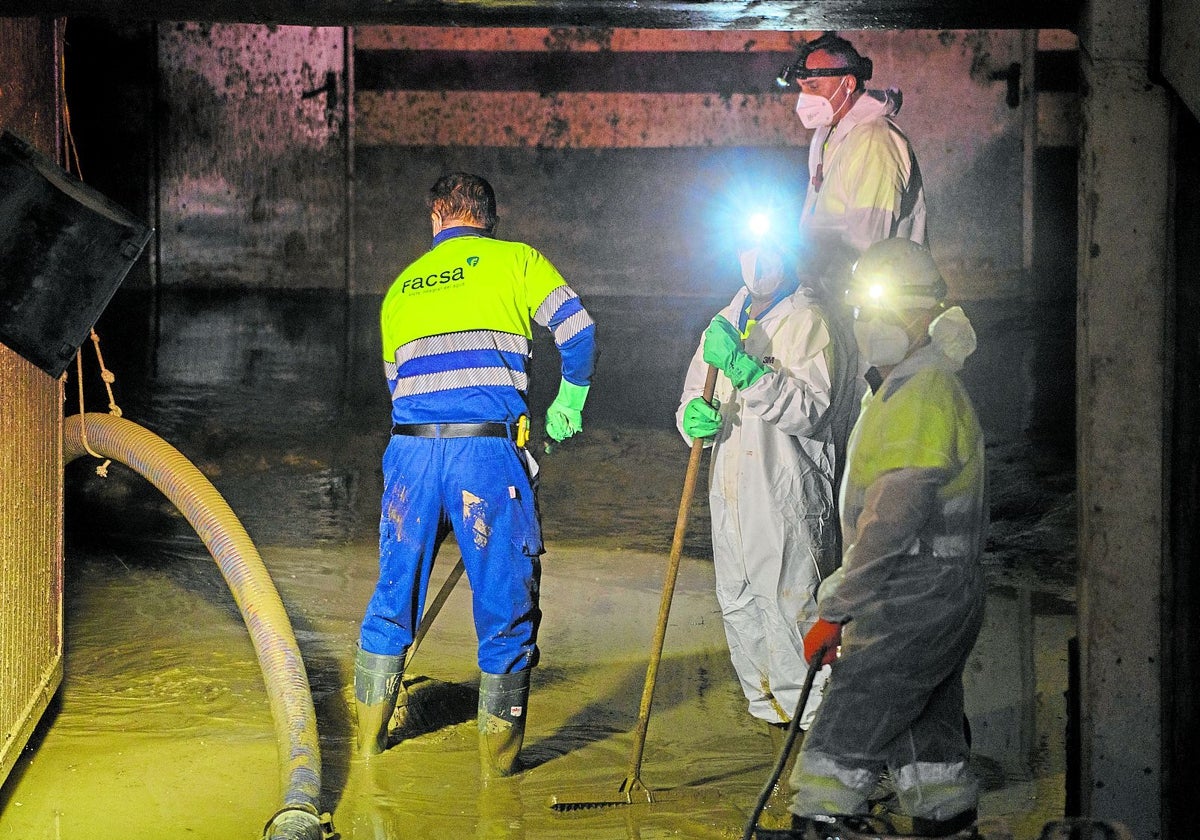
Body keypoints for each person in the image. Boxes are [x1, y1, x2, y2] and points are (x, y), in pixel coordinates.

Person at [353, 172, 597, 780]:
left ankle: (366, 754)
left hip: (409, 455)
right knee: (505, 607)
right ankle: (497, 781)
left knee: (391, 599)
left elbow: (396, 385)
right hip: (484, 457)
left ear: (437, 218)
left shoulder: (400, 288)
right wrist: (570, 398)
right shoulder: (516, 261)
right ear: (490, 218)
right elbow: (579, 330)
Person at [788, 237, 987, 839]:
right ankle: (947, 824)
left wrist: (835, 609)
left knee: (845, 733)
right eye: (864, 310)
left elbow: (891, 522)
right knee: (926, 733)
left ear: (924, 313)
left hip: (911, 600)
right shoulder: (905, 386)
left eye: (886, 310)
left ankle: (819, 823)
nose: (871, 324)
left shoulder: (922, 394)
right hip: (933, 597)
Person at [675, 226, 860, 741]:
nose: (757, 261)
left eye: (768, 247)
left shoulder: (810, 322)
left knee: (793, 609)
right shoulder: (724, 319)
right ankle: (770, 737)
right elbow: (695, 395)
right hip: (729, 496)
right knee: (738, 605)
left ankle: (822, 742)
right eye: (746, 246)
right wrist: (692, 418)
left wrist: (748, 371)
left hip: (786, 496)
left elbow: (811, 410)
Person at [777, 31, 927, 257]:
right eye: (802, 87)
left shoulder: (876, 141)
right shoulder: (828, 132)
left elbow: (866, 243)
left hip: (861, 287)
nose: (805, 97)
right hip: (826, 282)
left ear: (848, 83)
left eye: (813, 87)